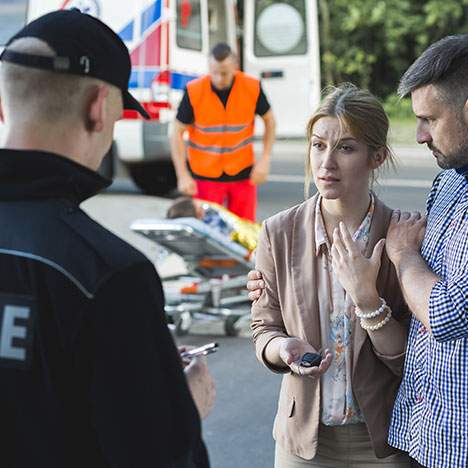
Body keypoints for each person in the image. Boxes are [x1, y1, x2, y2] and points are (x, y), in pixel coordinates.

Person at [0, 9, 214, 468]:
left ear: (4, 105)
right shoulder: (109, 275)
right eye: (118, 117)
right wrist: (184, 408)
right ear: (99, 109)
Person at [249, 84, 411, 467]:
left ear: (377, 156)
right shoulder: (278, 233)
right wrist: (281, 348)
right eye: (318, 145)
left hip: (386, 443)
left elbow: (411, 360)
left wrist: (368, 301)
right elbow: (263, 327)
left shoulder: (403, 236)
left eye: (346, 147)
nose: (326, 163)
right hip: (303, 444)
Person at [384, 35, 468, 468]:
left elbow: (445, 314)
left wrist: (404, 256)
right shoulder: (451, 178)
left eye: (429, 120)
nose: (418, 136)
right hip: (425, 432)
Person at [170, 42, 276, 222]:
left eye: (225, 73)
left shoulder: (252, 87)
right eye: (215, 72)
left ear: (235, 66)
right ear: (209, 68)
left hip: (243, 174)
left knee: (244, 234)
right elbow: (176, 133)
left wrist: (265, 160)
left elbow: (270, 121)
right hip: (204, 177)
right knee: (207, 233)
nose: (219, 78)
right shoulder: (194, 91)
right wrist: (182, 175)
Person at [166, 195, 260, 251]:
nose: (202, 206)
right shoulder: (210, 226)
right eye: (199, 207)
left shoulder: (205, 221)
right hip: (253, 238)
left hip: (249, 231)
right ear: (198, 214)